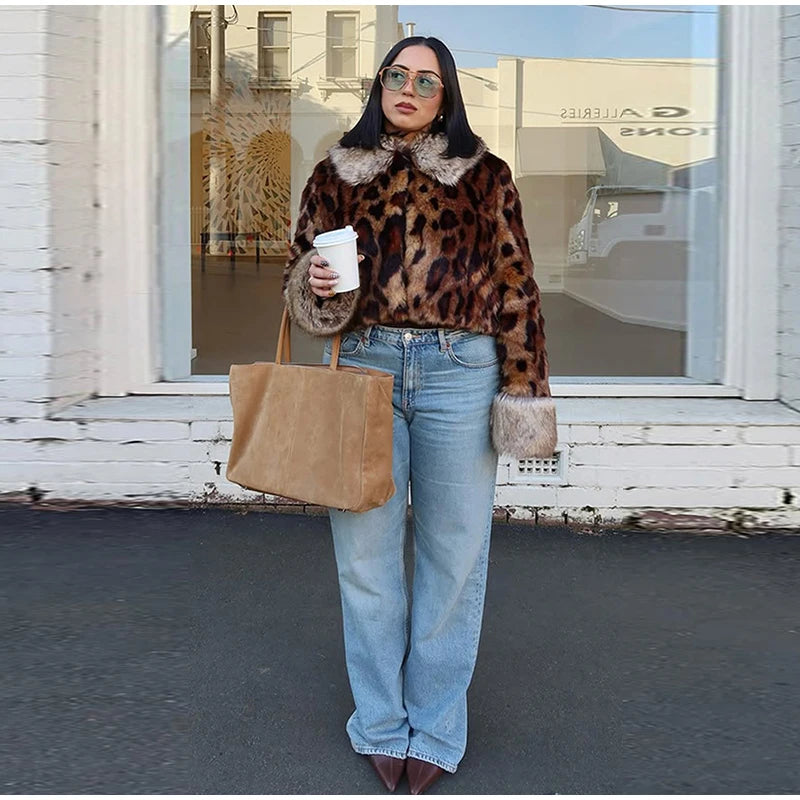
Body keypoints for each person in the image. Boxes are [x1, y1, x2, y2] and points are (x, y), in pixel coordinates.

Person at [282, 35, 557, 794]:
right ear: (379, 87)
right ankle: (379, 722)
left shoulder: (486, 175)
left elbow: (517, 287)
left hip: (459, 373)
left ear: (446, 96)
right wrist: (319, 280)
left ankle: (433, 726)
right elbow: (302, 283)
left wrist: (524, 388)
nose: (408, 88)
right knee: (366, 561)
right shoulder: (335, 172)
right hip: (363, 363)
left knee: (454, 558)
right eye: (396, 75)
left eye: (425, 80)